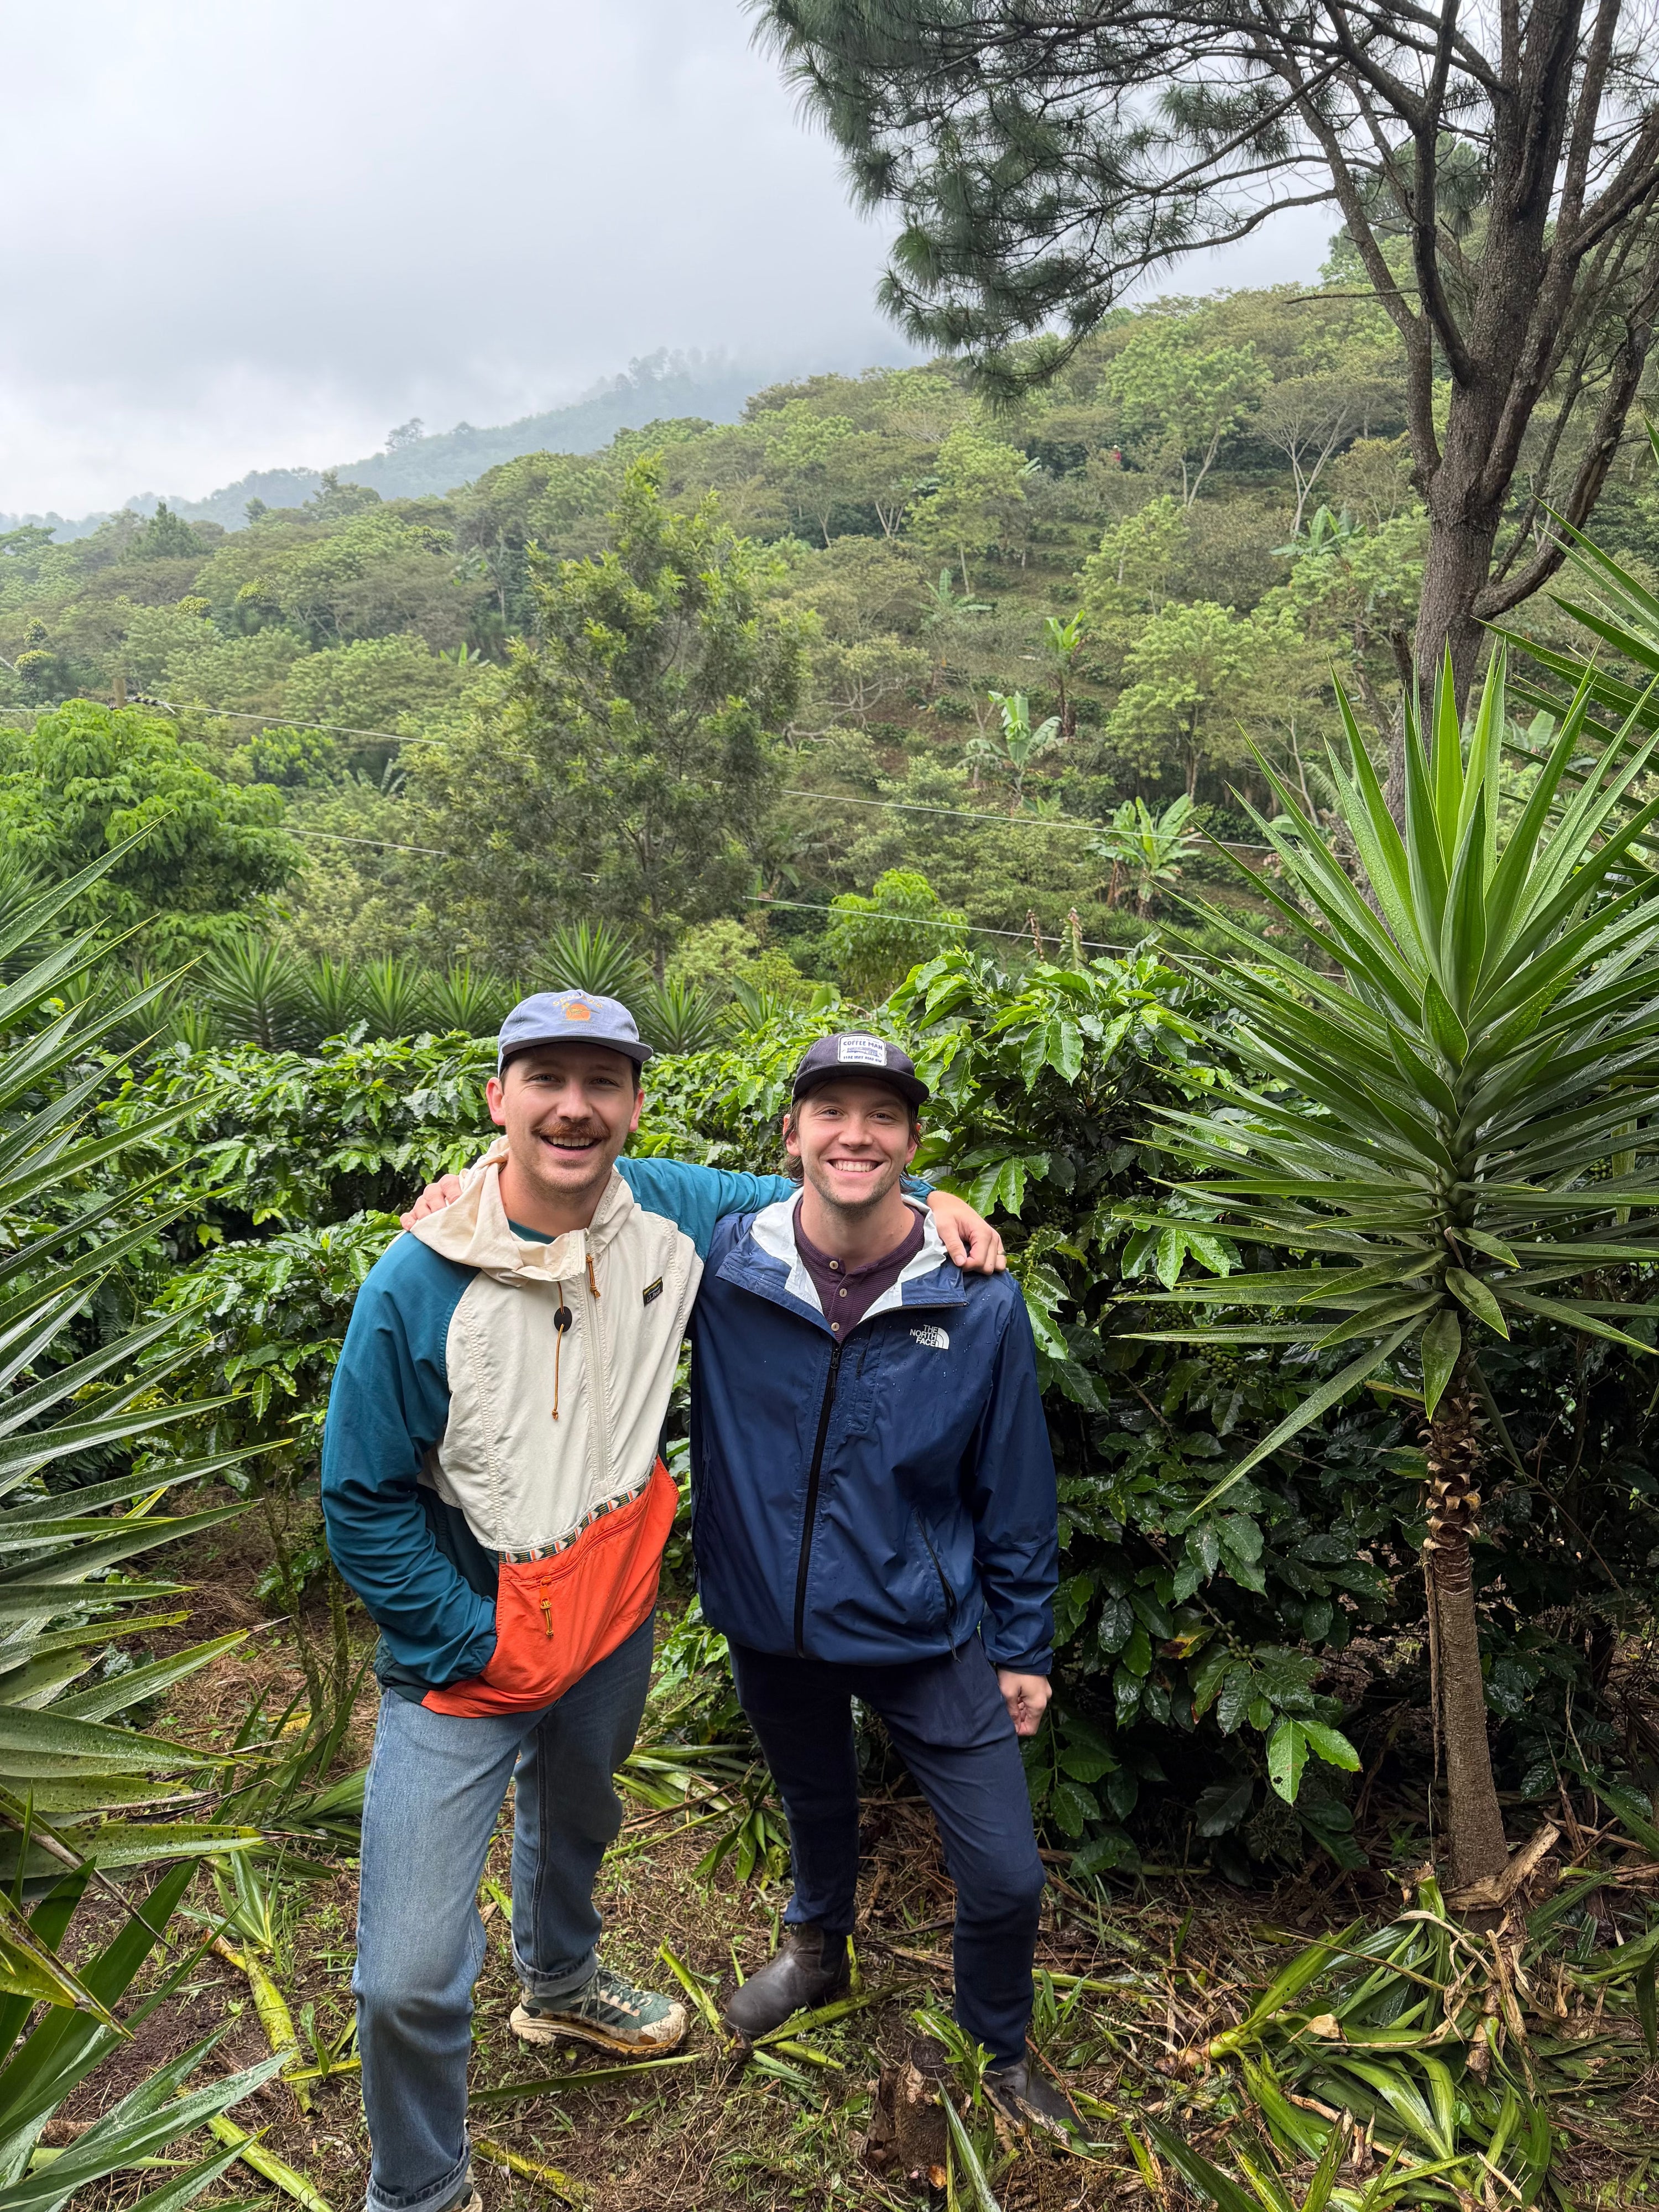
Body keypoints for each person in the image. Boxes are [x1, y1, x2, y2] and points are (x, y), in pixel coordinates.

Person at [321, 991, 1002, 2212]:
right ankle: (417, 2187)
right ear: (500, 1100)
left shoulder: (679, 1214)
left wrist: (940, 1193)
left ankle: (562, 1983)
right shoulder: (415, 1280)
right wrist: (473, 1633)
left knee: (578, 1810)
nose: (574, 1105)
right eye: (545, 1079)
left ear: (636, 1104)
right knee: (406, 1974)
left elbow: (836, 1180)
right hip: (470, 1643)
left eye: (603, 1080)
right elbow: (359, 1495)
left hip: (611, 1615)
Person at [684, 1034, 1071, 2136]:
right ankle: (818, 1947)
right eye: (831, 1110)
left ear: (912, 1140)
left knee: (1004, 1875)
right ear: (793, 1133)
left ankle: (995, 2048)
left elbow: (1016, 1485)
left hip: (927, 1626)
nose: (856, 1132)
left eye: (883, 1115)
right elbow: (578, 1193)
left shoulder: (977, 1296)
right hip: (774, 1618)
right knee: (816, 1801)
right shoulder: (722, 1262)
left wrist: (1024, 1644)